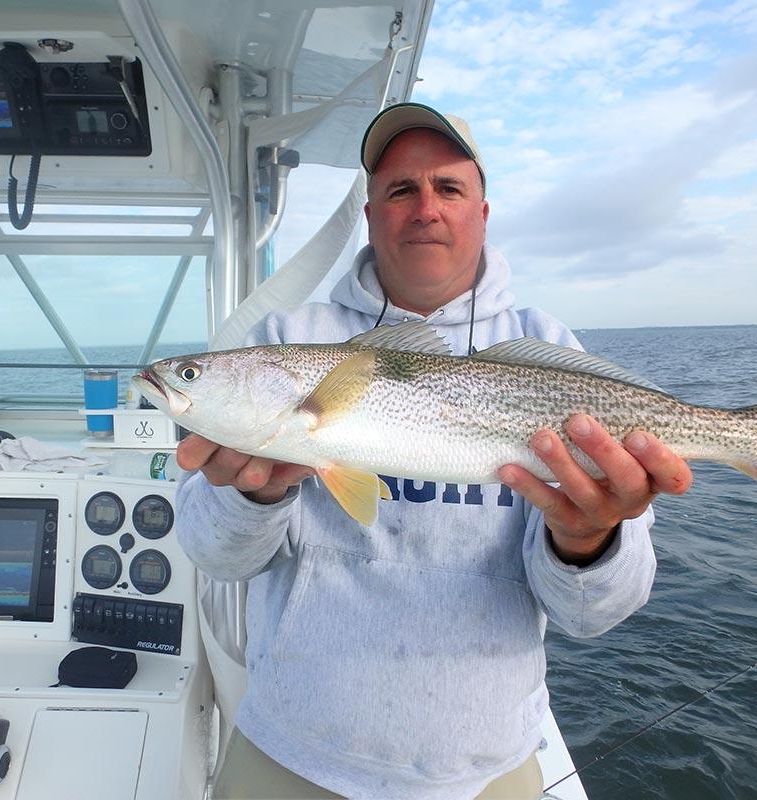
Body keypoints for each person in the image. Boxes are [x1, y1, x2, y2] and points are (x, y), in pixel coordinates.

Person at [175, 102, 693, 799]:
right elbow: (217, 557)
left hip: (484, 769)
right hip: (293, 750)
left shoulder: (553, 353)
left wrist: (589, 538)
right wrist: (254, 494)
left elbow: (594, 613)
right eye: (399, 190)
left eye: (448, 188)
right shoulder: (294, 336)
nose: (425, 207)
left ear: (483, 211)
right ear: (369, 215)